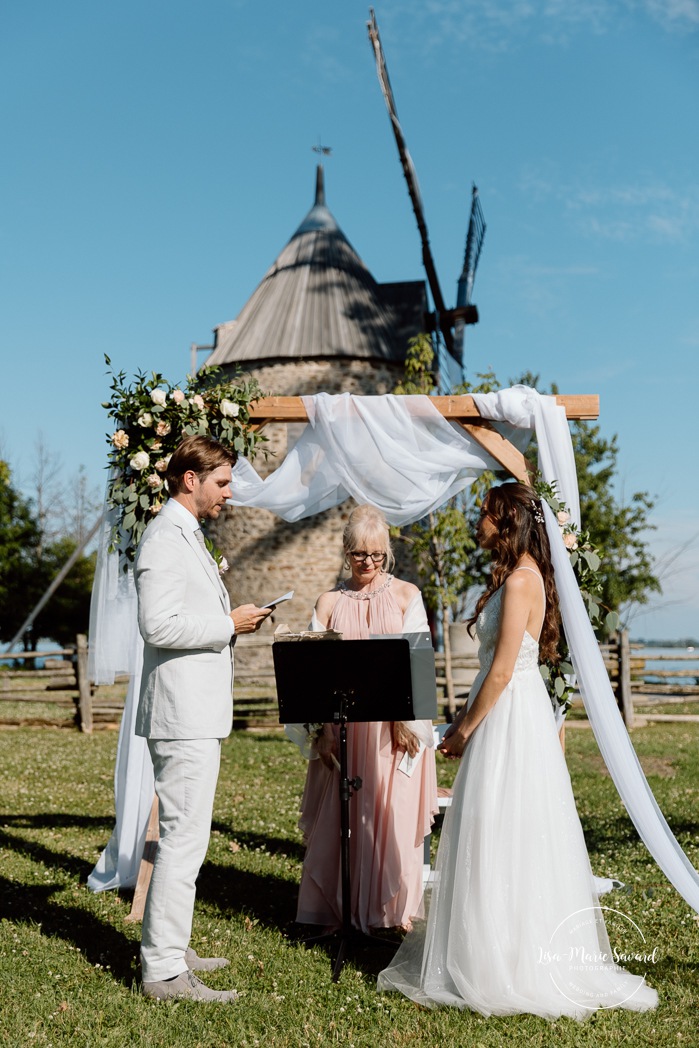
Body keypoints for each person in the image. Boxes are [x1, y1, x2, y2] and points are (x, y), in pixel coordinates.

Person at [378, 483, 658, 1018]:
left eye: (484, 514)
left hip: (511, 719)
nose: (476, 522)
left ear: (506, 522)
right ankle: (487, 947)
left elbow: (503, 670)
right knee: (492, 826)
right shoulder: (512, 577)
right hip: (503, 711)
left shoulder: (524, 580)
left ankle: (513, 960)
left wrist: (462, 731)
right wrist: (463, 715)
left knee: (505, 825)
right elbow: (493, 669)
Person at [134, 435, 272, 1002]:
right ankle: (163, 971)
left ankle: (172, 943)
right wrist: (228, 624)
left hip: (196, 712)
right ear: (189, 479)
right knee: (183, 840)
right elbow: (157, 625)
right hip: (181, 714)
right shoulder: (166, 537)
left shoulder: (188, 534)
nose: (229, 492)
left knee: (188, 837)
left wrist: (230, 620)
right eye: (221, 482)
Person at [292, 504, 438, 934]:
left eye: (376, 555)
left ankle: (391, 913)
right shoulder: (329, 602)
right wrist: (317, 733)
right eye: (359, 555)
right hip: (345, 730)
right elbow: (310, 675)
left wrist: (406, 722)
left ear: (388, 553)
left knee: (390, 814)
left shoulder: (407, 596)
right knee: (342, 817)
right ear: (346, 551)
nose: (368, 564)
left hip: (393, 731)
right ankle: (338, 910)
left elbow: (420, 670)